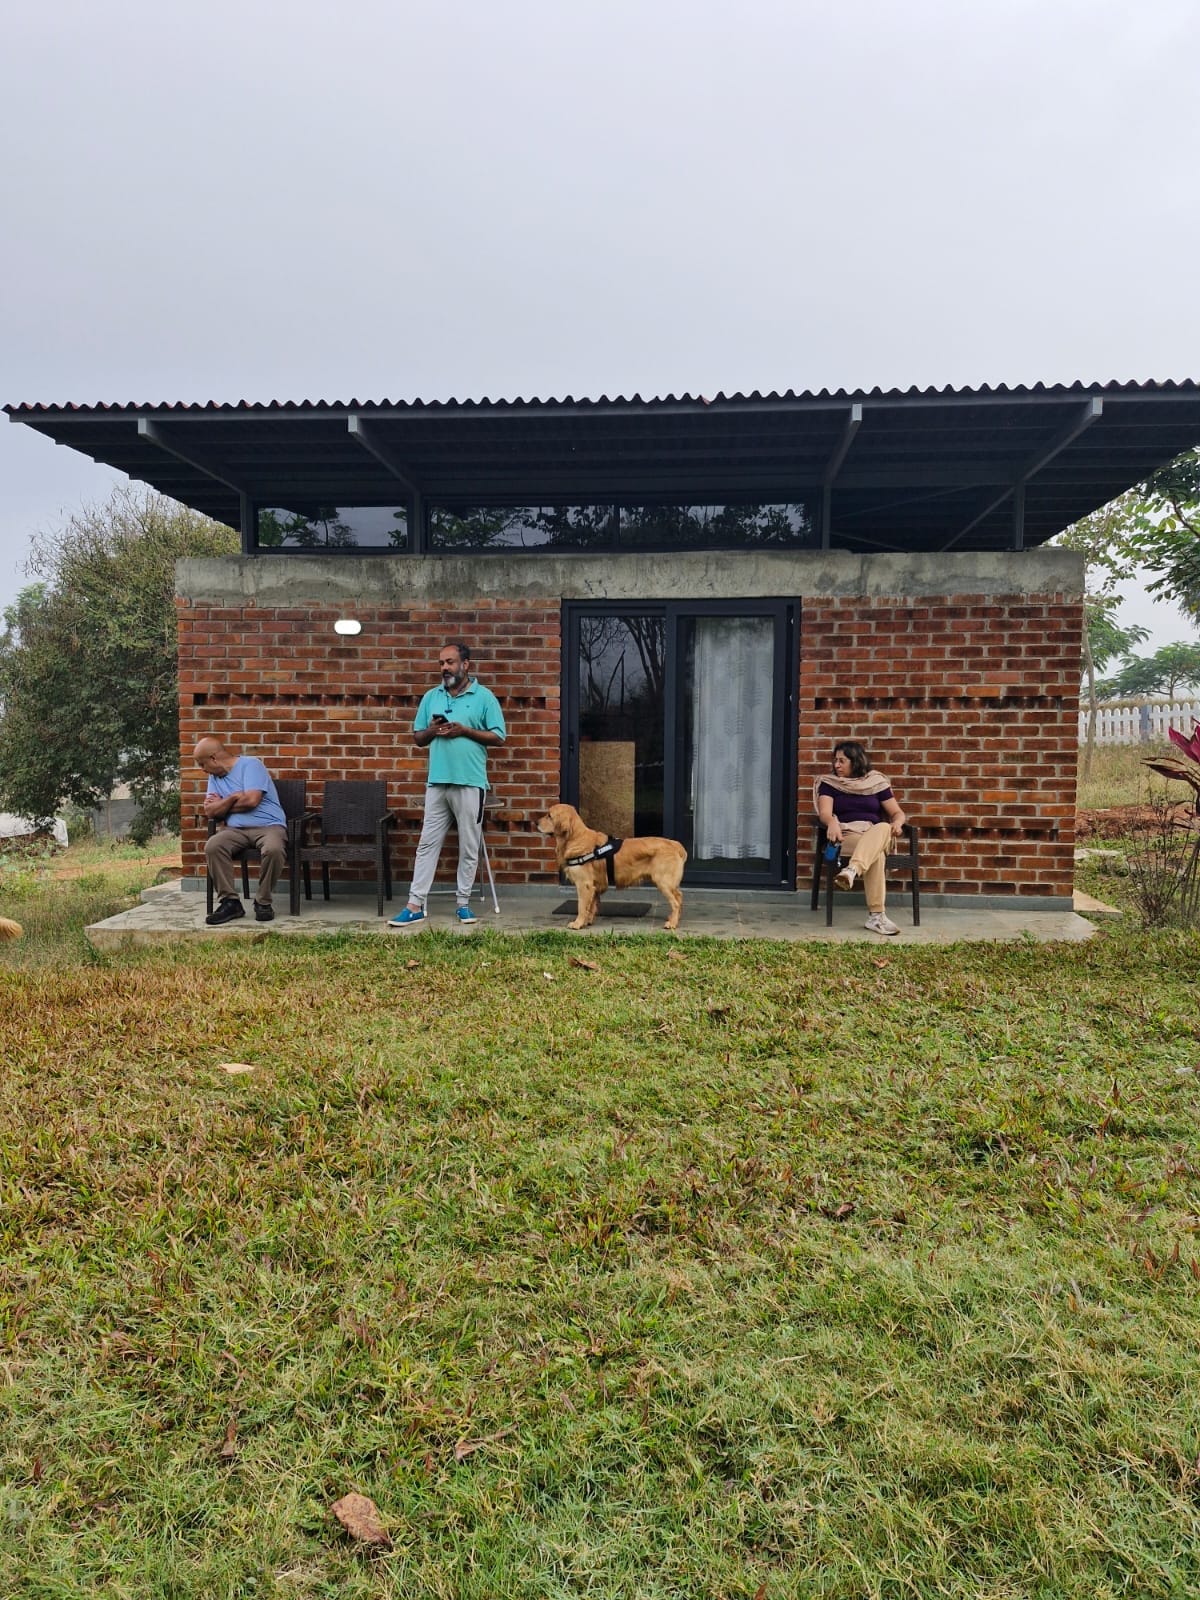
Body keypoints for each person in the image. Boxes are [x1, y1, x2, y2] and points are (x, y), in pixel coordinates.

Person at [389, 641, 506, 927]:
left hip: (470, 782)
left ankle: (463, 904)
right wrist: (434, 729)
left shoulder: (484, 697)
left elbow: (498, 736)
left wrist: (464, 730)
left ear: (465, 664)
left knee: (468, 845)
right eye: (441, 663)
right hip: (437, 783)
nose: (444, 668)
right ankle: (414, 904)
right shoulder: (432, 697)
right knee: (427, 844)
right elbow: (418, 738)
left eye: (450, 662)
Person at [814, 740, 908, 937]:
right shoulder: (830, 784)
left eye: (842, 761)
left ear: (855, 761)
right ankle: (876, 917)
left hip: (875, 832)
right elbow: (825, 813)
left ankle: (852, 870)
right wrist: (831, 823)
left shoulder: (876, 782)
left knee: (883, 827)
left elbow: (898, 813)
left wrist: (898, 824)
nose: (836, 765)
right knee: (877, 855)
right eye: (835, 761)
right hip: (847, 835)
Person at [196, 736, 288, 925]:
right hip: (235, 830)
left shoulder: (251, 765)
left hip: (269, 826)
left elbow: (251, 801)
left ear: (213, 758)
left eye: (202, 764)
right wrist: (232, 799)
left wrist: (222, 804)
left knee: (274, 849)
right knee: (213, 845)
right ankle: (230, 902)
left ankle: (263, 902)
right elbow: (210, 811)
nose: (202, 769)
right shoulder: (214, 777)